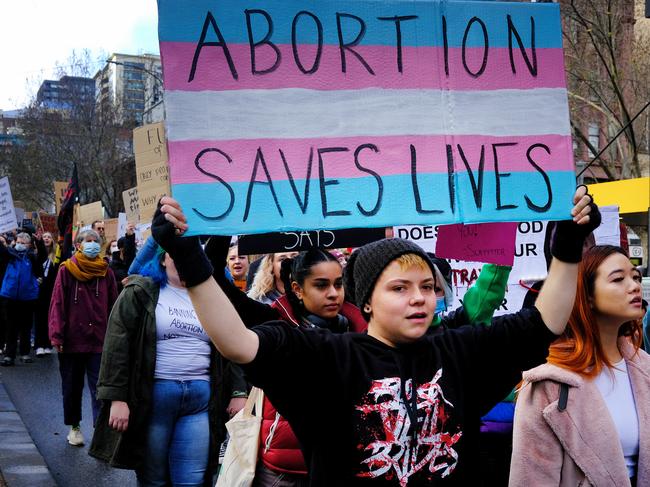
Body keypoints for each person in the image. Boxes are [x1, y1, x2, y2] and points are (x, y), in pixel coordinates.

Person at [152, 186, 598, 486]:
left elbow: (545, 322)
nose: (421, 299)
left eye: (428, 287)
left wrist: (568, 246)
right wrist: (189, 260)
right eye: (400, 288)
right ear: (366, 301)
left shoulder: (460, 349)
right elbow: (237, 342)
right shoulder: (326, 357)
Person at [90, 244, 230, 486]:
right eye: (177, 253)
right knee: (154, 478)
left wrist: (237, 392)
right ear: (163, 260)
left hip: (200, 397)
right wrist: (117, 399)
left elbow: (231, 343)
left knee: (193, 480)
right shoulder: (140, 291)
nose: (184, 258)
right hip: (154, 398)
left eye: (191, 254)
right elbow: (117, 345)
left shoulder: (211, 296)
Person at [510, 245, 648, 486]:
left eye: (636, 276)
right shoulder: (549, 384)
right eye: (618, 279)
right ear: (588, 296)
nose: (634, 285)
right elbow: (532, 478)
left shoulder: (645, 369)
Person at [48, 229, 118, 446]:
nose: (91, 244)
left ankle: (100, 432)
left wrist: (116, 336)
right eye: (87, 241)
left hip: (99, 340)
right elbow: (58, 303)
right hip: (71, 340)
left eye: (95, 241)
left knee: (101, 388)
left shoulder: (106, 272)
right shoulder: (66, 270)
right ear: (78, 245)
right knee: (72, 386)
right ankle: (75, 427)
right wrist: (56, 335)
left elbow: (114, 306)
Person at [0, 232, 45, 366]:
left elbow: (42, 256)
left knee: (25, 326)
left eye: (22, 243)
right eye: (17, 242)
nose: (19, 245)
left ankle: (25, 353)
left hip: (27, 297)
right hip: (10, 296)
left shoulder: (32, 257)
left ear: (28, 245)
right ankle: (9, 355)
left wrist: (40, 243)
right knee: (11, 327)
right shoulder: (9, 255)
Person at [35, 231, 57, 356]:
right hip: (39, 290)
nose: (47, 238)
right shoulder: (37, 254)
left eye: (49, 236)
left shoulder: (56, 255)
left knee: (50, 317)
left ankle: (48, 344)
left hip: (51, 290)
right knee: (39, 318)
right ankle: (39, 345)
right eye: (44, 237)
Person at [109, 223, 136, 292]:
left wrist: (130, 235)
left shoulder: (133, 260)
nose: (129, 249)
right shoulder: (112, 265)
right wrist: (121, 283)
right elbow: (108, 285)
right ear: (121, 248)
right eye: (126, 247)